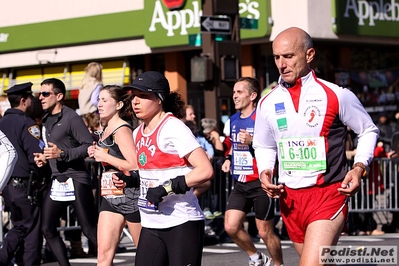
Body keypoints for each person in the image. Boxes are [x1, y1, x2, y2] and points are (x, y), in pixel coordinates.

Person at [253, 27, 379, 265]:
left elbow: (368, 130)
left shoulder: (336, 95)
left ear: (309, 55)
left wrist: (359, 166)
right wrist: (265, 170)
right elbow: (264, 145)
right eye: (277, 57)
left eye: (289, 56)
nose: (281, 64)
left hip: (329, 195)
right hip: (290, 200)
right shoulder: (267, 102)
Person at [115, 71, 214, 266]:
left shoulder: (173, 128)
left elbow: (205, 170)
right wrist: (131, 180)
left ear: (160, 98)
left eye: (143, 96)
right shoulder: (137, 133)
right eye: (134, 96)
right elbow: (151, 172)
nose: (135, 101)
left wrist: (165, 189)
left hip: (181, 222)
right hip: (151, 223)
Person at [33, 78, 98, 266]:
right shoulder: (45, 119)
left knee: (88, 229)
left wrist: (62, 154)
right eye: (40, 93)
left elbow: (88, 146)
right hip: (58, 180)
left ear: (59, 96)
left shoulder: (71, 118)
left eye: (46, 93)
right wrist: (45, 158)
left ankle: (106, 261)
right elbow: (53, 148)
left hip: (76, 179)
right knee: (47, 228)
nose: (41, 97)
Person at [221, 77, 284, 266]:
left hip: (260, 182)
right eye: (234, 92)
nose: (235, 96)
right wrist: (228, 159)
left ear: (253, 95)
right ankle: (256, 257)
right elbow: (233, 145)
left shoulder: (262, 119)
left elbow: (274, 146)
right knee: (230, 227)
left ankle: (279, 264)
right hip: (240, 183)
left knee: (265, 232)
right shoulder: (233, 119)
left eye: (239, 92)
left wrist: (253, 142)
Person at [87, 85, 141, 265]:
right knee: (103, 256)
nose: (99, 104)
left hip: (130, 195)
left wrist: (105, 155)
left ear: (118, 105)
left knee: (145, 254)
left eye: (104, 100)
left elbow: (134, 164)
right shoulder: (107, 128)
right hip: (110, 195)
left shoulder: (122, 129)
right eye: (99, 100)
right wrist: (96, 152)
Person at [0, 82, 45, 266]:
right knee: (31, 228)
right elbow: (35, 155)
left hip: (7, 183)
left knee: (19, 224)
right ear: (24, 100)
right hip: (25, 183)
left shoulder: (2, 123)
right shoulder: (26, 123)